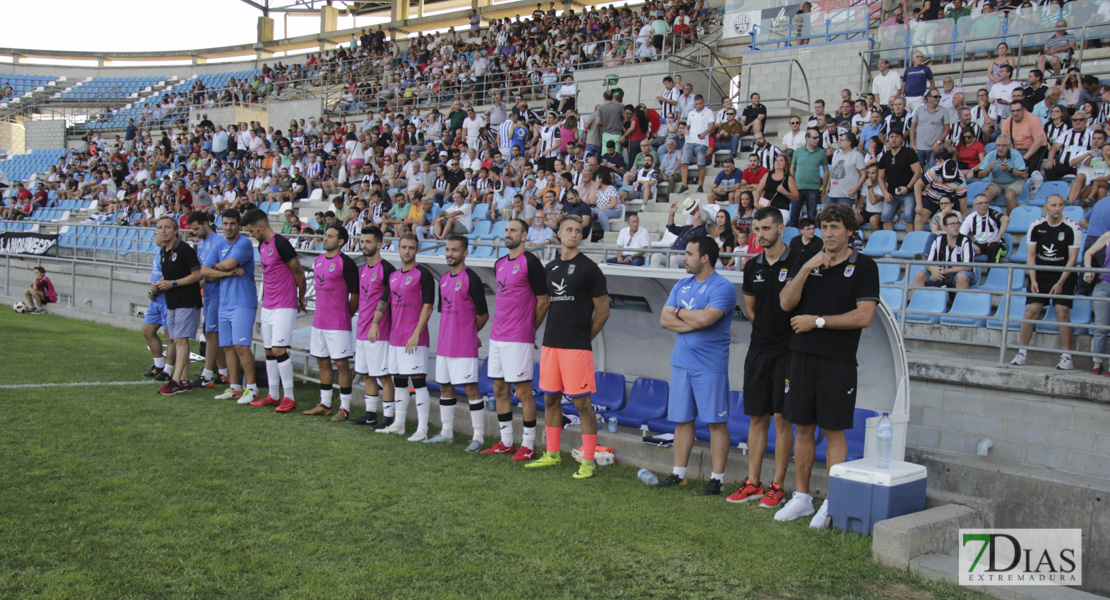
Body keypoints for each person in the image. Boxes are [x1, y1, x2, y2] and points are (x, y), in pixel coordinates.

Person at [777, 203, 880, 528]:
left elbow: (864, 316)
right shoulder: (808, 262)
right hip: (801, 357)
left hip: (838, 361)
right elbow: (785, 303)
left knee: (834, 431)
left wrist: (818, 321)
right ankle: (803, 498)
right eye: (825, 227)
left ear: (849, 231)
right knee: (802, 427)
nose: (829, 234)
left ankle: (833, 502)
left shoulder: (864, 266)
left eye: (836, 227)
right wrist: (807, 267)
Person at [525, 215, 610, 479]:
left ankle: (588, 460)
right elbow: (543, 304)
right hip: (552, 345)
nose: (573, 234)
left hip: (576, 348)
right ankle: (552, 454)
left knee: (583, 404)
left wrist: (585, 338)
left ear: (581, 236)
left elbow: (603, 312)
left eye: (578, 230)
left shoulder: (590, 269)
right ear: (559, 234)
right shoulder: (549, 268)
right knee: (550, 399)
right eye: (568, 230)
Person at [655, 236, 736, 495]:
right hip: (681, 363)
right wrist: (693, 319)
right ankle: (679, 474)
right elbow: (664, 321)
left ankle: (717, 478)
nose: (684, 258)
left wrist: (680, 313)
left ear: (705, 258)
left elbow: (706, 320)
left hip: (710, 365)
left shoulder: (723, 287)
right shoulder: (682, 284)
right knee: (682, 420)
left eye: (689, 254)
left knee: (715, 422)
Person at [727, 208, 794, 508]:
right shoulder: (752, 265)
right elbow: (751, 310)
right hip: (759, 350)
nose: (761, 234)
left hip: (789, 353)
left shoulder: (797, 262)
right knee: (757, 416)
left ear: (780, 228)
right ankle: (753, 482)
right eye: (756, 229)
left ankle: (777, 486)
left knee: (782, 418)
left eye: (766, 228)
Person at [483, 219, 549, 460]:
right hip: (497, 335)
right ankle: (506, 441)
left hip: (518, 336)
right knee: (499, 388)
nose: (508, 233)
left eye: (513, 230)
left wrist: (530, 329)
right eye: (507, 230)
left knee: (522, 392)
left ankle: (529, 446)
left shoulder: (531, 262)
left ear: (524, 236)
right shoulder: (499, 263)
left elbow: (543, 300)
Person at [419, 235, 491, 449]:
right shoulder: (443, 280)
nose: (450, 254)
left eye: (455, 250)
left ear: (465, 253)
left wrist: (469, 333)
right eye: (448, 250)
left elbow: (483, 314)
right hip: (444, 345)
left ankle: (479, 437)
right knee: (444, 386)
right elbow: (446, 313)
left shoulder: (472, 278)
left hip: (463, 347)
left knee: (470, 388)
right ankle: (446, 432)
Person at [241, 208, 306, 412]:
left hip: (284, 305)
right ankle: (274, 395)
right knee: (268, 350)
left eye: (251, 231)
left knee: (279, 349)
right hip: (268, 304)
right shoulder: (262, 245)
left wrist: (300, 297)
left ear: (261, 226)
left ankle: (290, 397)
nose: (251, 235)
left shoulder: (281, 243)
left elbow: (299, 272)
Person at [375, 233, 436, 436]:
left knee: (418, 382)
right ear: (398, 249)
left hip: (414, 339)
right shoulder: (393, 276)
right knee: (399, 381)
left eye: (411, 248)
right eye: (404, 247)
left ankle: (422, 429)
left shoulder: (423, 274)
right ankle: (399, 424)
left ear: (416, 250)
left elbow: (428, 306)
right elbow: (384, 303)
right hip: (395, 338)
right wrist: (375, 324)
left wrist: (416, 333)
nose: (407, 251)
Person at [1011, 195, 1082, 371]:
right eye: (1053, 205)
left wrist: (1060, 282)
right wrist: (1033, 279)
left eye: (1060, 205)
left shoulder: (1073, 227)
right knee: (1030, 311)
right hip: (1040, 274)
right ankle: (1022, 352)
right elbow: (1030, 255)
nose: (1057, 208)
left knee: (1062, 312)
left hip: (1064, 274)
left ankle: (1067, 357)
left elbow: (1072, 260)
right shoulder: (1036, 226)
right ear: (1046, 207)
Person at [200, 209, 259, 405]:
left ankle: (252, 388)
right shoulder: (219, 244)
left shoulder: (244, 243)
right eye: (225, 223)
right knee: (226, 347)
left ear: (239, 225)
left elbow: (226, 264)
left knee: (241, 346)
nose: (228, 227)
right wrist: (226, 272)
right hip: (224, 303)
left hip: (242, 303)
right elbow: (204, 270)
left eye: (232, 223)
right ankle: (235, 388)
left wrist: (221, 268)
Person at [301, 226, 359, 420]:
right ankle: (325, 404)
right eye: (325, 235)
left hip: (338, 323)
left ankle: (344, 408)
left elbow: (355, 295)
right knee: (322, 360)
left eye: (330, 236)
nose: (325, 239)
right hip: (319, 322)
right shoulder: (318, 261)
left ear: (341, 241)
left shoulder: (346, 263)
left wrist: (346, 314)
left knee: (341, 364)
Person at [150, 217, 203, 395]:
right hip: (172, 301)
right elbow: (169, 277)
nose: (163, 231)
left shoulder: (184, 249)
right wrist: (159, 285)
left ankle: (175, 381)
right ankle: (184, 379)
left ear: (175, 231)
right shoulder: (164, 251)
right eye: (160, 228)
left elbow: (197, 275)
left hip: (187, 300)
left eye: (167, 227)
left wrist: (173, 283)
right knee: (177, 339)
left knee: (180, 340)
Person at [351, 226, 397, 429]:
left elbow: (392, 301)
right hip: (362, 330)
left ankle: (388, 417)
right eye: (362, 242)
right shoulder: (362, 269)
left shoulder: (387, 269)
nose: (364, 245)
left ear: (379, 244)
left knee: (383, 375)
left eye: (368, 242)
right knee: (367, 373)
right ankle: (370, 415)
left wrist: (379, 324)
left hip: (379, 332)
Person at [187, 213, 228, 389]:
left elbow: (221, 271)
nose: (195, 233)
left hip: (219, 294)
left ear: (206, 224)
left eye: (196, 228)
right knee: (212, 333)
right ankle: (224, 373)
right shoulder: (202, 244)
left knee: (211, 333)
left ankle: (207, 374)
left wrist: (205, 280)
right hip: (209, 294)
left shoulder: (218, 242)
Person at [140, 238, 175, 383]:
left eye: (160, 231)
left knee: (171, 338)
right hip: (156, 300)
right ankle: (159, 365)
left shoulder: (173, 253)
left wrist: (155, 287)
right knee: (147, 330)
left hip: (168, 300)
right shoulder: (158, 252)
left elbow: (171, 272)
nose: (156, 235)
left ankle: (168, 370)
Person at [913, 212, 977, 289]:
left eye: (958, 223)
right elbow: (928, 262)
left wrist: (944, 271)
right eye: (952, 224)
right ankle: (916, 300)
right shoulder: (938, 240)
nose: (956, 226)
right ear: (945, 227)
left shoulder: (966, 241)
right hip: (942, 273)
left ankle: (960, 300)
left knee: (962, 276)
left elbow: (968, 267)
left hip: (961, 273)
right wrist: (932, 269)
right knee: (919, 274)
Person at [877, 130, 922, 231]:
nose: (894, 139)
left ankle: (909, 245)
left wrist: (908, 187)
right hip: (891, 193)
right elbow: (880, 177)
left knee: (909, 218)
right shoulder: (885, 156)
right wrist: (885, 192)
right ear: (888, 139)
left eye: (897, 136)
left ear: (901, 139)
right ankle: (888, 245)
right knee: (885, 217)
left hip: (908, 193)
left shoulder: (909, 153)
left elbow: (918, 172)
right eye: (891, 136)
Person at [914, 153, 968, 231]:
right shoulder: (935, 170)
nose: (948, 179)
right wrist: (919, 204)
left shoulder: (960, 179)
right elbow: (918, 185)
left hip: (948, 201)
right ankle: (919, 241)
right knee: (919, 218)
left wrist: (963, 217)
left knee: (950, 221)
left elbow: (963, 200)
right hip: (930, 197)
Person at [975, 134, 1027, 214]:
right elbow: (980, 175)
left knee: (1009, 196)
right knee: (984, 198)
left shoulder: (1015, 155)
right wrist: (988, 169)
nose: (1000, 148)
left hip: (1014, 181)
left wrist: (1009, 170)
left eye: (1003, 145)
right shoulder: (991, 155)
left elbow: (1024, 175)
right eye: (998, 145)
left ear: (1009, 146)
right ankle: (989, 220)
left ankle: (1012, 221)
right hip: (996, 182)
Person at [1083, 230, 1110, 375]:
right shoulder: (1108, 235)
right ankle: (1097, 363)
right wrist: (1088, 269)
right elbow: (1088, 253)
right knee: (1100, 326)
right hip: (1104, 282)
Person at [652, 202, 709, 269]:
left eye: (695, 214)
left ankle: (672, 279)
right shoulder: (688, 227)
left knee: (673, 259)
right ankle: (655, 278)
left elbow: (695, 247)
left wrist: (681, 253)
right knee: (655, 257)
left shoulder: (702, 231)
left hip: (685, 257)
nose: (692, 215)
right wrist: (671, 213)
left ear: (698, 217)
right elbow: (672, 228)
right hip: (672, 254)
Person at [678, 94, 716, 194]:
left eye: (700, 103)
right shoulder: (691, 113)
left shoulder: (708, 112)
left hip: (701, 141)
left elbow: (712, 125)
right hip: (690, 140)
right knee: (684, 162)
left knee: (701, 164)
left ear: (703, 102)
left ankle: (700, 186)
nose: (698, 105)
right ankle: (684, 185)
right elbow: (689, 125)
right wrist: (685, 130)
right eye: (696, 104)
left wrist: (705, 133)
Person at [790, 128, 827, 227]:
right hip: (798, 187)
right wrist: (792, 183)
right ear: (807, 138)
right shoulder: (798, 151)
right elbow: (792, 167)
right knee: (794, 215)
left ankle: (810, 237)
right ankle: (793, 237)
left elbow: (826, 170)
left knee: (811, 215)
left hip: (813, 188)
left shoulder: (821, 152)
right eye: (814, 137)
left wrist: (824, 187)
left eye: (818, 137)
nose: (817, 140)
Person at [909, 88, 953, 168]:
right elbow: (912, 127)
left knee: (933, 171)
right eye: (936, 97)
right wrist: (912, 144)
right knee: (917, 171)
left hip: (934, 148)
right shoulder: (919, 110)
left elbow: (947, 129)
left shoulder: (944, 110)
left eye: (939, 97)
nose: (938, 98)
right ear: (928, 98)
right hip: (919, 148)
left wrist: (938, 142)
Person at [960, 194, 1010, 263]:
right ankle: (967, 271)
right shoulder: (970, 218)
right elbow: (961, 235)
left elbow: (1006, 219)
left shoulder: (992, 213)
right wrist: (972, 244)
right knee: (965, 247)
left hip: (995, 243)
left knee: (993, 247)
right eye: (980, 203)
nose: (984, 205)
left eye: (986, 202)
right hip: (979, 244)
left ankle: (992, 272)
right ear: (974, 206)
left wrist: (998, 238)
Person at [825, 132, 866, 207]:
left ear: (848, 143)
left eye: (841, 140)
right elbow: (832, 171)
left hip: (846, 194)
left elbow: (863, 173)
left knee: (843, 217)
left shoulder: (857, 155)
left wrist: (856, 188)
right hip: (833, 193)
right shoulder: (837, 155)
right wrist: (828, 185)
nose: (839, 141)